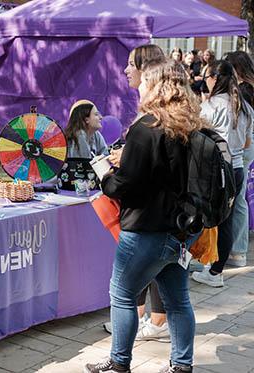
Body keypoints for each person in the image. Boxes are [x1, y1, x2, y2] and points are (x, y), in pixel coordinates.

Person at [85, 59, 203, 373]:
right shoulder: (191, 125)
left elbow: (127, 186)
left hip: (147, 228)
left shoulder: (146, 127)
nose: (138, 87)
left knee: (122, 293)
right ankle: (181, 366)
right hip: (180, 229)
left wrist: (107, 178)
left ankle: (119, 363)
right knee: (178, 299)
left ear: (154, 86)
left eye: (143, 82)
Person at [103, 44, 171, 343]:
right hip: (167, 219)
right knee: (174, 291)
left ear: (148, 71)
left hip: (146, 217)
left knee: (121, 291)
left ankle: (120, 358)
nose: (126, 70)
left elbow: (136, 178)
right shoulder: (168, 116)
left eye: (132, 64)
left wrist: (112, 173)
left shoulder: (150, 121)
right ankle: (174, 352)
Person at [192, 60, 253, 287]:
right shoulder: (245, 107)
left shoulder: (211, 106)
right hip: (236, 168)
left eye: (207, 76)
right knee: (224, 221)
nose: (205, 81)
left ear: (215, 79)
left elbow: (197, 139)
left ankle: (201, 262)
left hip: (214, 170)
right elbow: (247, 143)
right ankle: (215, 271)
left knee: (202, 216)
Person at [224, 51, 254, 267]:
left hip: (244, 145)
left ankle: (237, 251)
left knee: (238, 199)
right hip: (248, 144)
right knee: (240, 197)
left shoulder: (244, 90)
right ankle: (238, 251)